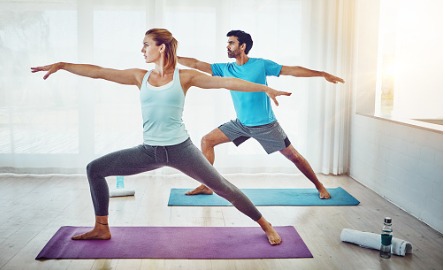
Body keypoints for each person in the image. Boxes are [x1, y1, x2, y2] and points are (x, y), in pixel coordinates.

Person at [31, 28, 292, 245]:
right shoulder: (139, 76)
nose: (142, 50)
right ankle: (101, 227)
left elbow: (226, 83)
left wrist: (264, 88)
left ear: (162, 48)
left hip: (181, 150)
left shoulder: (185, 76)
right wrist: (64, 65)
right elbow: (99, 71)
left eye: (146, 45)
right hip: (148, 151)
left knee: (224, 188)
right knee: (94, 169)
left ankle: (265, 224)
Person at [178, 30, 345, 199]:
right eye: (227, 43)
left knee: (294, 157)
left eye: (231, 43)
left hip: (266, 125)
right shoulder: (225, 68)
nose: (227, 46)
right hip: (241, 124)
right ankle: (207, 186)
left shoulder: (260, 65)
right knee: (207, 140)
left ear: (242, 46)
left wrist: (322, 74)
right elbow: (196, 64)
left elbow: (292, 70)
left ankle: (319, 186)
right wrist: (172, 57)